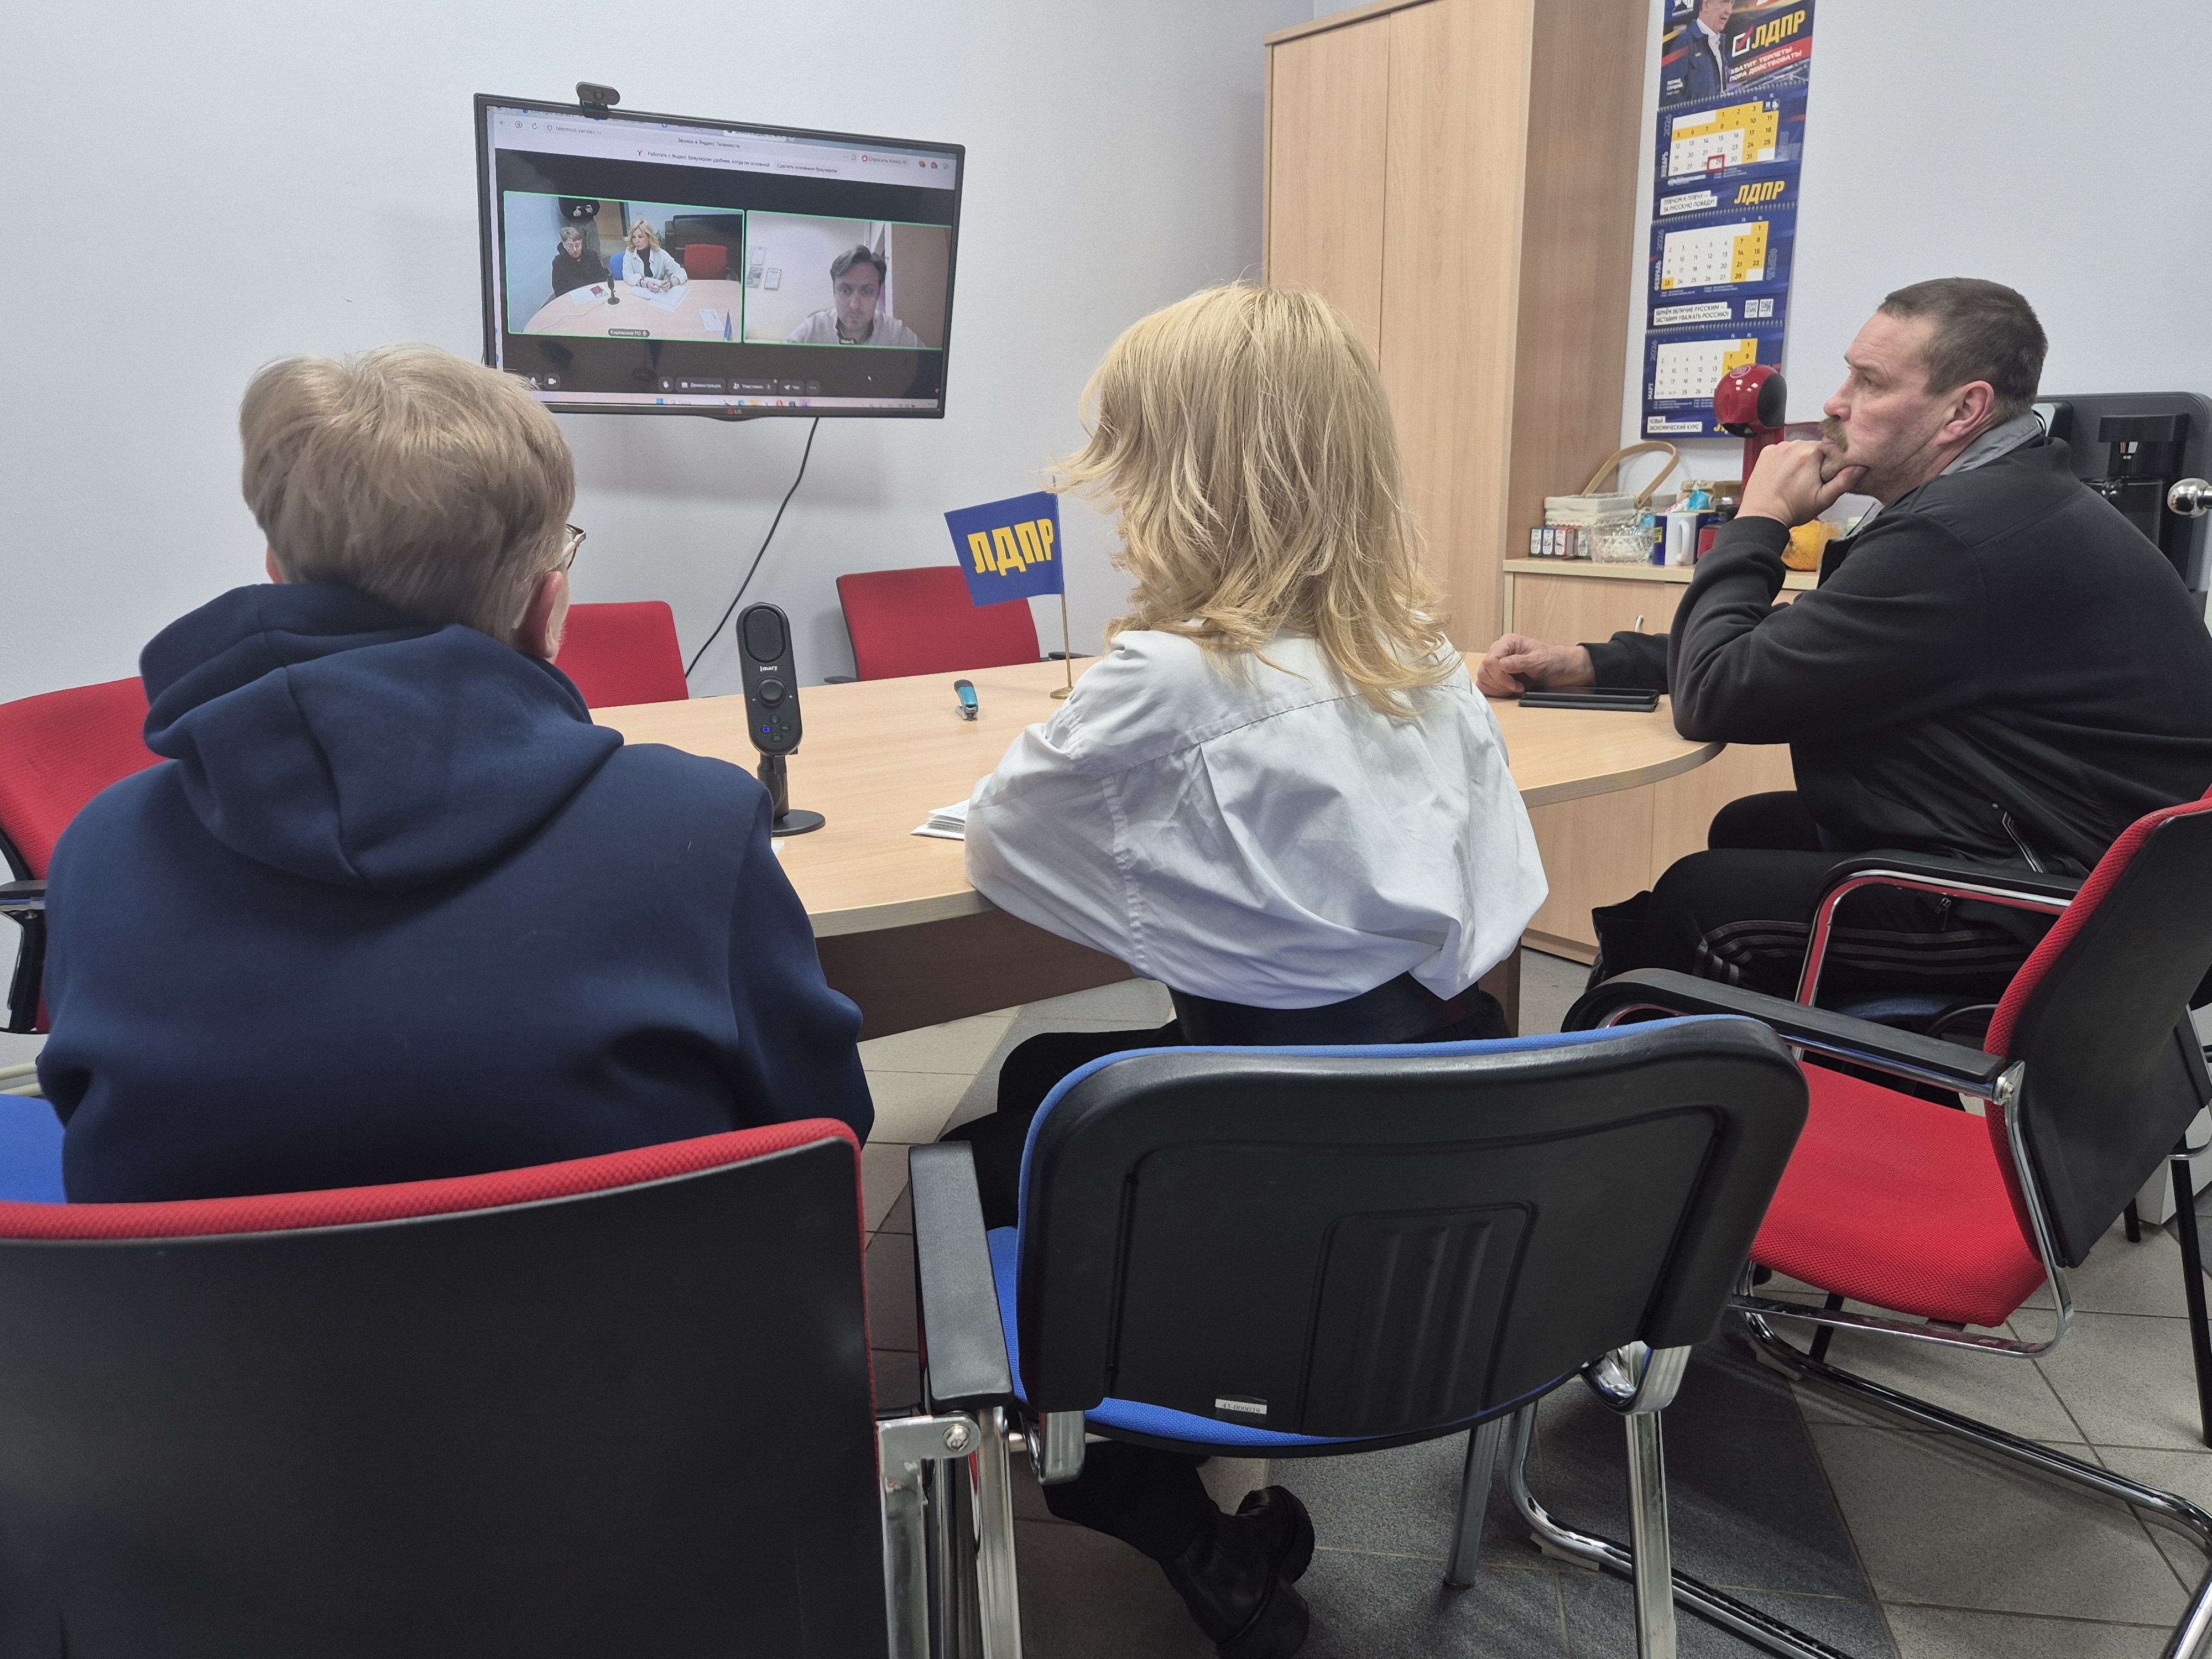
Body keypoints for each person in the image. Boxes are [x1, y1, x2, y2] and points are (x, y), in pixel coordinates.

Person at [946, 284, 1546, 1659]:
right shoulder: (1426, 665)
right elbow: (1481, 905)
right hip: (1444, 1141)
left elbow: (1005, 845)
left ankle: (1152, 1506)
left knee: (967, 1172)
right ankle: (1197, 1497)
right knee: (1045, 1078)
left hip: (1251, 1172)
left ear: (1179, 480)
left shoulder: (1165, 681)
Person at [35, 345, 872, 1202]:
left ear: (279, 577)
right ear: (547, 610)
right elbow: (824, 1129)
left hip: (201, 1297)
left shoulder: (101, 849)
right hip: (642, 1294)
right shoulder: (698, 825)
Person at [1479, 278, 2212, 997]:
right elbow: (1801, 643)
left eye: (1870, 382)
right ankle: (1820, 1056)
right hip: (2109, 875)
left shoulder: (1956, 538)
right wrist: (1596, 662)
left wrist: (1758, 522)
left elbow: (1716, 698)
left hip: (2066, 910)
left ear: (1964, 409)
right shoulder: (2005, 502)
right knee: (1754, 827)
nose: (1836, 402)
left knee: (1702, 903)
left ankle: (1653, 1073)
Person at [785, 246, 923, 347]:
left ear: (878, 294)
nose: (855, 305)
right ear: (834, 291)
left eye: (867, 292)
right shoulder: (812, 329)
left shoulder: (897, 335)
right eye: (846, 291)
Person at [1679, 0, 1733, 102]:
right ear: (1707, 5)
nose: (1729, 10)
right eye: (1724, 3)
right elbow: (1671, 99)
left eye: (1732, 3)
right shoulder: (1685, 42)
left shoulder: (1719, 44)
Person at [619, 220, 686, 293]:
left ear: (649, 237)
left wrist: (671, 283)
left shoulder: (661, 254)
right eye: (634, 237)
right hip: (639, 293)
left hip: (658, 293)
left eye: (640, 237)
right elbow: (627, 276)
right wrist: (645, 284)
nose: (636, 241)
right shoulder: (629, 252)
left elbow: (681, 273)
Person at [548, 223, 607, 299]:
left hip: (594, 294)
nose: (575, 250)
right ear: (564, 245)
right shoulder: (558, 263)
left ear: (581, 242)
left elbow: (602, 276)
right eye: (570, 246)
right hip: (572, 297)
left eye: (577, 245)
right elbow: (559, 289)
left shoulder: (592, 255)